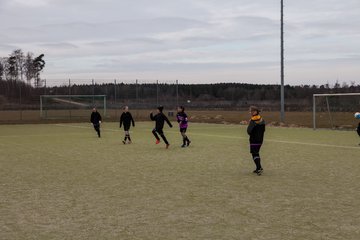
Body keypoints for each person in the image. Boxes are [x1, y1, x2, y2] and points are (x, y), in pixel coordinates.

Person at [247, 106, 265, 175]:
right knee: (256, 153)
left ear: (254, 112)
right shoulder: (262, 120)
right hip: (260, 139)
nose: (250, 113)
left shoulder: (253, 121)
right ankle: (258, 168)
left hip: (254, 140)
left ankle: (259, 168)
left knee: (254, 153)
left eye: (251, 111)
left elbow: (249, 131)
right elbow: (264, 130)